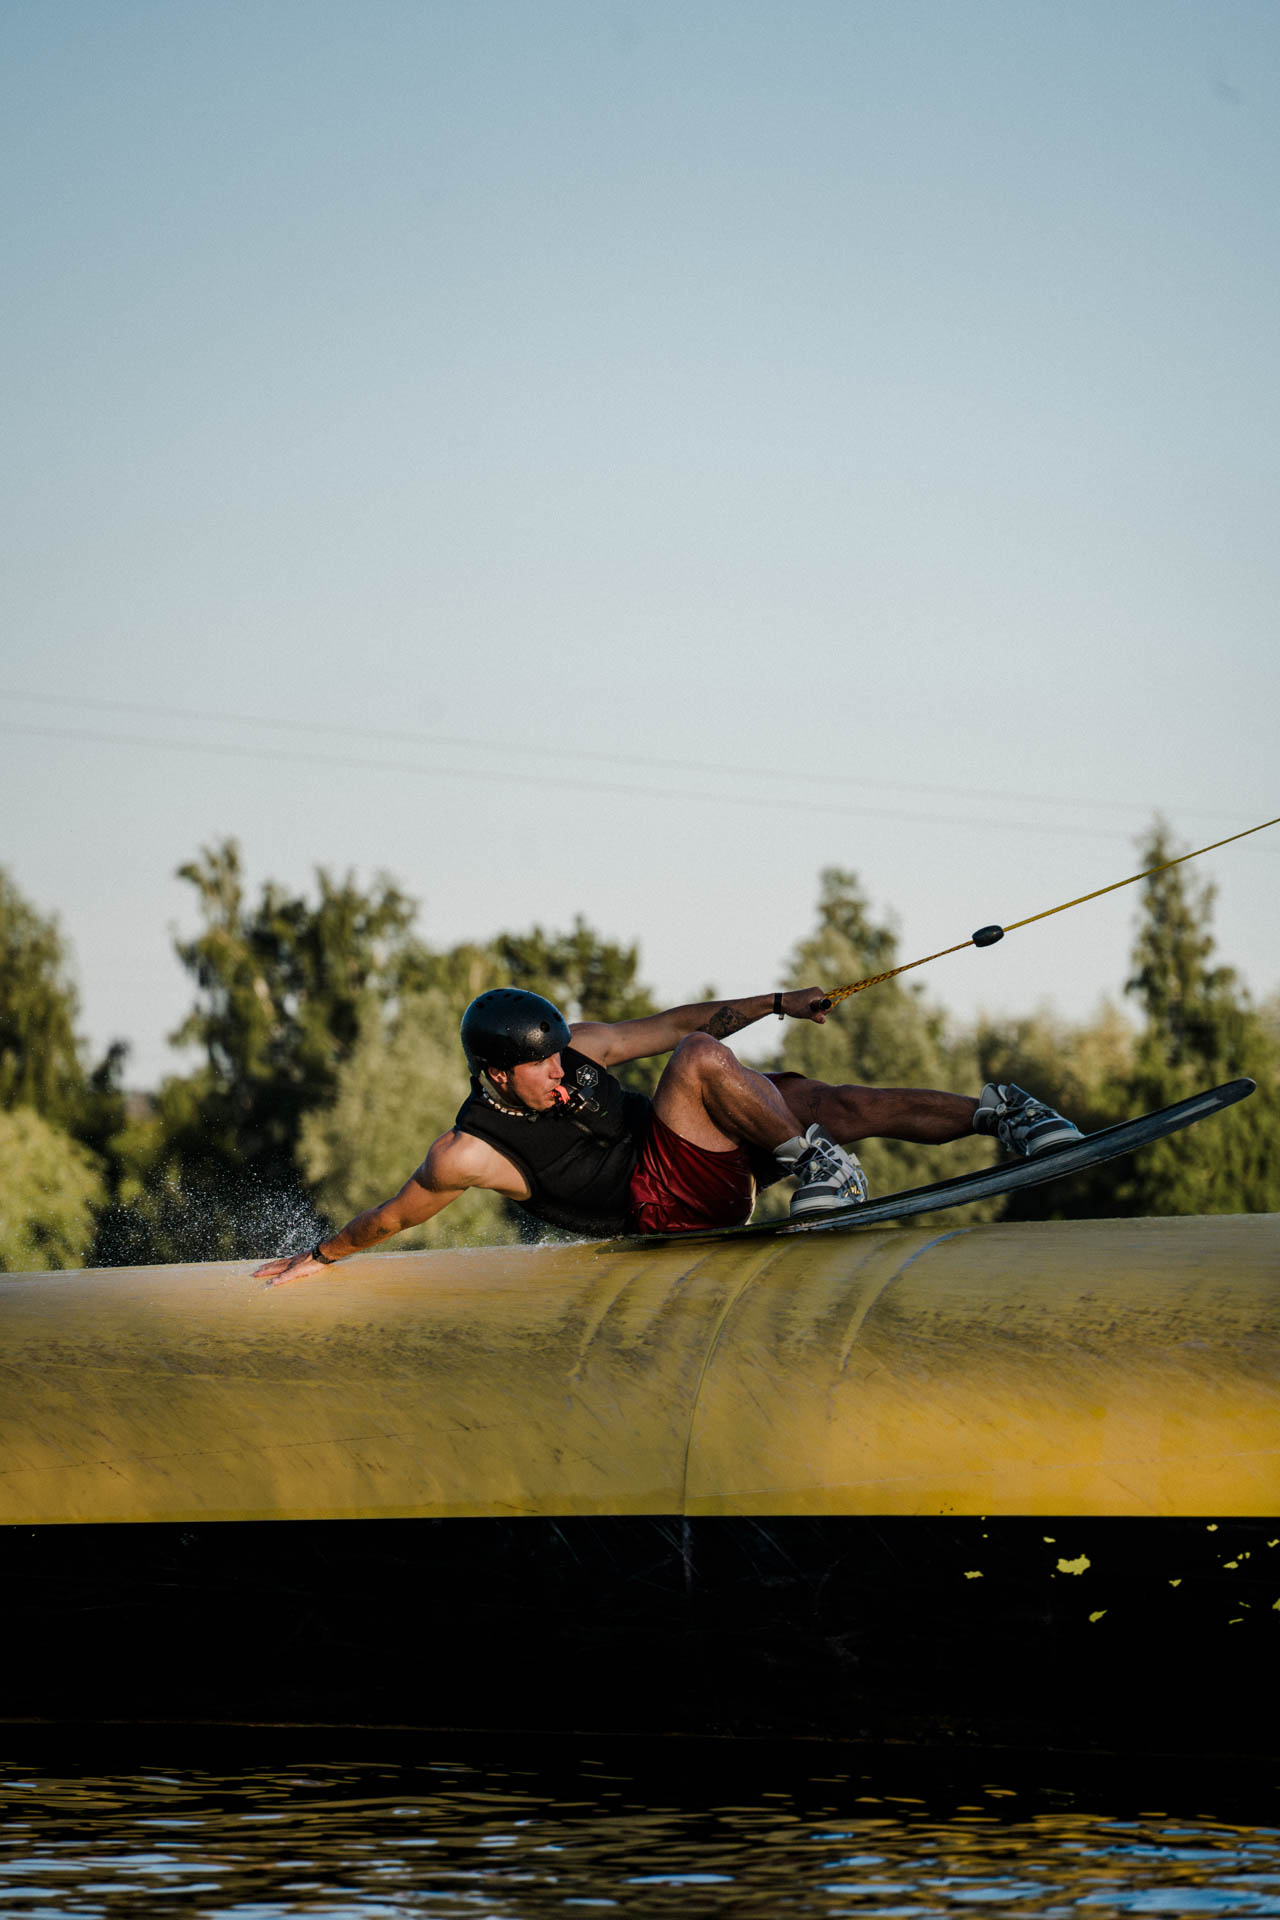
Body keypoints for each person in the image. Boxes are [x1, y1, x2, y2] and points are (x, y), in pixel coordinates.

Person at [256, 985, 1082, 1287]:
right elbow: (395, 1217)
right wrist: (323, 1256)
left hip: (697, 1146)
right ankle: (812, 1163)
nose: (561, 1074)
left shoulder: (570, 1047)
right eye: (541, 1070)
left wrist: (779, 1005)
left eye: (560, 1059)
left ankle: (1002, 1114)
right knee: (697, 1063)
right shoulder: (468, 1151)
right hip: (665, 1202)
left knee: (817, 1094)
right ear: (497, 1074)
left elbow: (683, 1021)